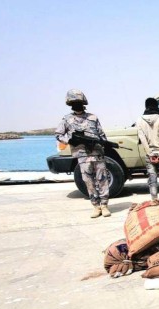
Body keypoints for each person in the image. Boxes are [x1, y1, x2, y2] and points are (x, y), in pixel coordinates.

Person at [55, 89, 111, 218]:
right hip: (82, 156)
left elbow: (101, 134)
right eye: (74, 103)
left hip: (97, 154)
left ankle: (104, 205)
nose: (77, 105)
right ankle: (96, 206)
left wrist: (104, 144)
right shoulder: (67, 119)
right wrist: (70, 140)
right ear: (70, 104)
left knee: (102, 179)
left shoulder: (93, 117)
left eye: (79, 102)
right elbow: (58, 135)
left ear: (83, 103)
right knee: (88, 181)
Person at [136, 98, 159, 201]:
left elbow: (142, 138)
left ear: (146, 106)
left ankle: (154, 199)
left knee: (152, 176)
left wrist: (150, 153)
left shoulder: (139, 120)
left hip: (149, 153)